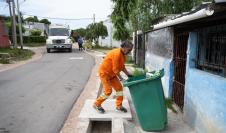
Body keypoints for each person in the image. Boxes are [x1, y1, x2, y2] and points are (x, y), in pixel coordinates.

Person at [93, 40, 134, 113]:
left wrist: (128, 74)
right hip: (104, 73)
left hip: (111, 74)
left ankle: (119, 106)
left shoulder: (123, 55)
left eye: (130, 50)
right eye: (129, 49)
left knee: (119, 89)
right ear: (124, 47)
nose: (130, 51)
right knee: (108, 91)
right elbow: (115, 69)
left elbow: (122, 66)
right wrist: (121, 79)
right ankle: (97, 104)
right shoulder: (117, 54)